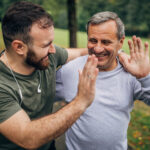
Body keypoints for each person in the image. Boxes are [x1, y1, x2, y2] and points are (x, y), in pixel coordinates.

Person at [0, 1, 99, 150]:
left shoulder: (48, 56)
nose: (53, 50)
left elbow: (79, 53)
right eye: (46, 45)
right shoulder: (2, 85)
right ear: (19, 47)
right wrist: (81, 102)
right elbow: (27, 138)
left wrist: (117, 54)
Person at [55, 11, 150, 150]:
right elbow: (41, 98)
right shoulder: (69, 70)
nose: (98, 48)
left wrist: (145, 76)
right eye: (93, 40)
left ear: (120, 42)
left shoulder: (131, 73)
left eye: (106, 42)